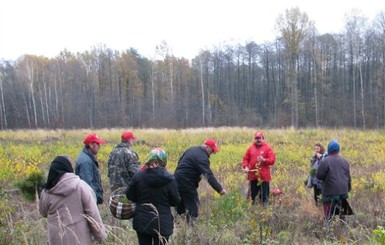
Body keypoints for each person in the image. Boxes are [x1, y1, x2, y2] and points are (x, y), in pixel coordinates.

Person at [39, 155, 107, 245]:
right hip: (80, 239)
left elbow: (43, 213)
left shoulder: (47, 192)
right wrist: (100, 236)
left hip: (57, 239)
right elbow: (92, 213)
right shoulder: (81, 186)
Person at [126, 148, 180, 245]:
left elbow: (129, 195)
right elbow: (176, 201)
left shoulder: (138, 176)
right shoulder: (170, 179)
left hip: (142, 222)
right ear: (164, 161)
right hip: (162, 223)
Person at [174, 139, 227, 224]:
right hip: (187, 183)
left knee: (180, 206)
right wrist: (220, 189)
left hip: (176, 179)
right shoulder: (202, 157)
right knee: (193, 207)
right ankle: (191, 229)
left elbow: (180, 161)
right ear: (207, 147)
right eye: (212, 150)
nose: (213, 152)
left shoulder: (192, 149)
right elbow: (208, 175)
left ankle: (178, 226)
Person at [316, 140, 352, 225]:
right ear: (338, 149)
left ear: (329, 149)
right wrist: (348, 188)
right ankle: (343, 226)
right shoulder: (345, 161)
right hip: (343, 191)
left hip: (329, 192)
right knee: (342, 212)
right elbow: (348, 177)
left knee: (328, 214)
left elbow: (319, 176)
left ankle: (328, 230)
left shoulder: (325, 161)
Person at [242, 131, 276, 207]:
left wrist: (264, 160)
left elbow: (272, 160)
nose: (258, 140)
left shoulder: (268, 148)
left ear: (263, 138)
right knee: (251, 196)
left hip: (264, 176)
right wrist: (246, 167)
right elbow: (245, 159)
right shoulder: (251, 148)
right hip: (252, 175)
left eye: (259, 138)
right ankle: (251, 210)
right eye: (256, 138)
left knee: (264, 196)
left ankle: (264, 210)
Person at [75, 133, 106, 204]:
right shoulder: (85, 161)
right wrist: (95, 197)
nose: (99, 146)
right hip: (89, 201)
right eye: (98, 144)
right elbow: (87, 184)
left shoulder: (86, 158)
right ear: (91, 145)